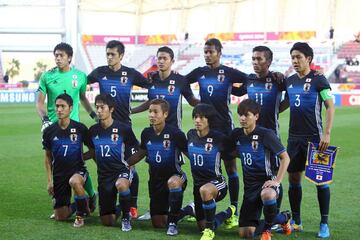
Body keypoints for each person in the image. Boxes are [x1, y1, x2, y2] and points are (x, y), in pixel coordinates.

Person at [185, 38, 248, 228]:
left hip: (224, 127)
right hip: (205, 128)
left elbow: (249, 79)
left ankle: (233, 211)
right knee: (204, 170)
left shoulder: (228, 72)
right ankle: (203, 206)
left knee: (230, 168)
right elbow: (181, 81)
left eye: (211, 52)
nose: (207, 55)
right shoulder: (200, 72)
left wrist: (237, 92)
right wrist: (192, 100)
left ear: (219, 53)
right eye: (205, 52)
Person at [87, 40, 152, 218]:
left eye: (112, 54)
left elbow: (152, 87)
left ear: (121, 56)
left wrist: (136, 109)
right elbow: (79, 88)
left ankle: (132, 206)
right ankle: (108, 196)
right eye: (107, 54)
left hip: (124, 130)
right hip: (104, 130)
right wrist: (92, 114)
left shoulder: (130, 74)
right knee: (105, 164)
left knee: (131, 166)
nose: (109, 57)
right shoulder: (100, 72)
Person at [36, 42, 97, 213]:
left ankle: (91, 194)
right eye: (56, 55)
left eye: (61, 55)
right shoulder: (47, 76)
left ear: (69, 57)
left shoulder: (80, 76)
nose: (58, 58)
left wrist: (93, 115)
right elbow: (39, 102)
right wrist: (45, 120)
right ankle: (62, 200)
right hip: (54, 128)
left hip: (74, 128)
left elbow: (83, 98)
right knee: (55, 161)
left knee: (77, 163)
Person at [284, 42, 335, 238]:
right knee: (294, 178)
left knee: (321, 181)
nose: (295, 61)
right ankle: (296, 221)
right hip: (294, 139)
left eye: (299, 57)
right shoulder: (289, 81)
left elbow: (330, 106)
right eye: (293, 57)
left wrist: (327, 133)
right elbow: (285, 104)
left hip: (315, 139)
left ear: (309, 59)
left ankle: (324, 223)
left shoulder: (319, 79)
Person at [231, 46, 287, 216]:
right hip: (251, 136)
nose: (255, 62)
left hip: (270, 135)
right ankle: (254, 211)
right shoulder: (249, 80)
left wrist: (276, 110)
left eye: (259, 59)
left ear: (268, 62)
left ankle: (276, 214)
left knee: (275, 173)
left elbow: (291, 94)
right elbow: (236, 90)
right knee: (255, 171)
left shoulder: (277, 80)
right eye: (253, 59)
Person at [227, 99, 291, 240]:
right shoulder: (236, 134)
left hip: (267, 182)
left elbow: (285, 158)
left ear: (256, 116)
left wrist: (277, 181)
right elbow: (231, 151)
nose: (242, 118)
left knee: (267, 194)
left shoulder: (266, 134)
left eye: (246, 115)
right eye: (240, 115)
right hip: (250, 188)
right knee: (246, 233)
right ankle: (283, 218)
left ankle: (266, 231)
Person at [127, 98, 188, 236]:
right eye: (150, 111)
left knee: (173, 182)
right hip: (155, 181)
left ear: (165, 114)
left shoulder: (176, 133)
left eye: (156, 112)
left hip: (175, 177)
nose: (152, 115)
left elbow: (189, 153)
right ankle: (187, 210)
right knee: (158, 223)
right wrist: (125, 164)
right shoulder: (146, 133)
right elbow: (141, 152)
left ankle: (173, 224)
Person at [86, 93, 139, 231]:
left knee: (121, 184)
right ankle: (123, 207)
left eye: (102, 107)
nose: (98, 111)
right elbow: (92, 151)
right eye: (96, 107)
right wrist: (78, 157)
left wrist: (130, 164)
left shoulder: (123, 128)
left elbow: (136, 147)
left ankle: (126, 218)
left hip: (121, 171)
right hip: (104, 176)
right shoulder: (92, 130)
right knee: (107, 221)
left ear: (111, 109)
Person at [187, 104, 236, 240]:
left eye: (202, 117)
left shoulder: (219, 138)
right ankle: (228, 212)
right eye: (196, 117)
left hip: (217, 183)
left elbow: (234, 152)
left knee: (206, 191)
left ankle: (210, 231)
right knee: (201, 225)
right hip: (198, 186)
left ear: (209, 120)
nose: (197, 120)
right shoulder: (190, 134)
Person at [42, 93, 91, 227]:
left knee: (74, 181)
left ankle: (80, 216)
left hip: (78, 171)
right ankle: (83, 201)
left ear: (70, 108)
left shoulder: (80, 128)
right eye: (57, 106)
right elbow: (47, 157)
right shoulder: (49, 131)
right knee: (60, 216)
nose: (59, 109)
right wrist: (49, 181)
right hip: (59, 174)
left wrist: (81, 157)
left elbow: (93, 150)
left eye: (63, 106)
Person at [132, 46, 200, 128]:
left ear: (172, 61)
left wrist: (210, 104)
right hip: (154, 131)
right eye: (159, 58)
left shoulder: (180, 80)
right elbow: (151, 102)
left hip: (174, 131)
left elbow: (192, 101)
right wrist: (131, 110)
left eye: (165, 58)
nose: (161, 61)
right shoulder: (151, 79)